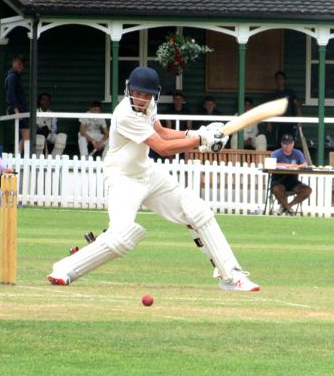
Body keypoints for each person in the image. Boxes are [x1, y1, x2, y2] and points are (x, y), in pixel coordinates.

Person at [47, 66, 260, 291]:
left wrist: (195, 133)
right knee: (121, 237)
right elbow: (162, 147)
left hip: (147, 172)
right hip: (123, 179)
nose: (141, 99)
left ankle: (231, 276)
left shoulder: (149, 106)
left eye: (147, 95)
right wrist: (200, 140)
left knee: (196, 209)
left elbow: (160, 131)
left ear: (154, 95)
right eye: (137, 93)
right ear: (129, 90)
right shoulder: (125, 113)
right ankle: (64, 269)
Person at [269, 134, 312, 215]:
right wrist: (289, 165)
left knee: (307, 190)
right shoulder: (275, 153)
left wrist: (297, 166)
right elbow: (272, 164)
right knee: (276, 189)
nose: (287, 146)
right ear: (281, 144)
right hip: (279, 181)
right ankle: (289, 209)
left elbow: (305, 164)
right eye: (285, 144)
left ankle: (287, 206)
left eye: (289, 144)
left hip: (293, 182)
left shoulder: (298, 153)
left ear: (293, 144)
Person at [266, 71, 302, 143]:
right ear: (275, 81)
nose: (280, 80)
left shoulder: (290, 92)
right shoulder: (274, 95)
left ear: (284, 80)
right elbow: (269, 110)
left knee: (291, 142)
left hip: (290, 121)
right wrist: (269, 123)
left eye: (281, 78)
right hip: (278, 123)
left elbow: (297, 106)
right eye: (278, 79)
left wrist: (299, 121)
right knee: (280, 142)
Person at [4, 55, 29, 156]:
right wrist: (16, 110)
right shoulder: (12, 77)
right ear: (13, 63)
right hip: (18, 109)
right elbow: (10, 94)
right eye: (18, 63)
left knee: (26, 134)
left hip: (19, 109)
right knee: (26, 133)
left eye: (22, 64)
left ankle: (17, 155)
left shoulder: (14, 76)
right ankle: (25, 157)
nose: (20, 66)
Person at [36, 92, 67, 156]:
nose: (45, 102)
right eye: (44, 100)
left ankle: (54, 159)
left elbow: (54, 129)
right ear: (40, 101)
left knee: (62, 137)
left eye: (47, 100)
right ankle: (38, 160)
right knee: (40, 138)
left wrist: (49, 131)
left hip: (49, 135)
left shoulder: (52, 114)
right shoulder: (35, 112)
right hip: (37, 135)